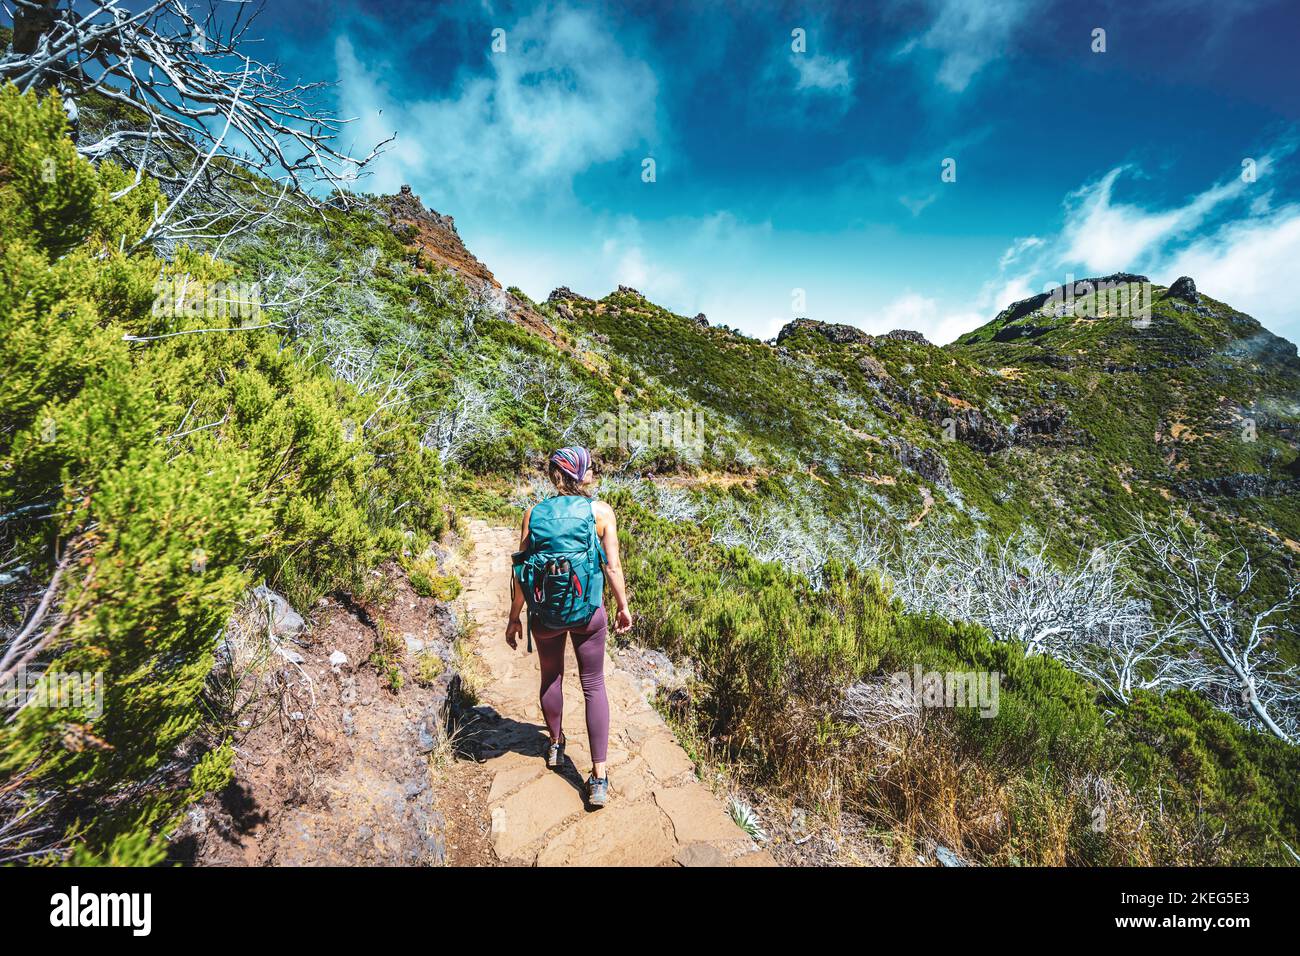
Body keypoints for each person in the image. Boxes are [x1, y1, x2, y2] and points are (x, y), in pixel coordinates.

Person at [505, 446, 633, 808]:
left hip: (545, 614)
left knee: (551, 677)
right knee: (593, 684)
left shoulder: (535, 512)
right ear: (577, 474)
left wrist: (515, 617)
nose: (593, 470)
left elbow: (521, 571)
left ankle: (556, 746)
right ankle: (598, 776)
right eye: (588, 467)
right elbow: (612, 568)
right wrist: (622, 606)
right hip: (587, 612)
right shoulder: (600, 512)